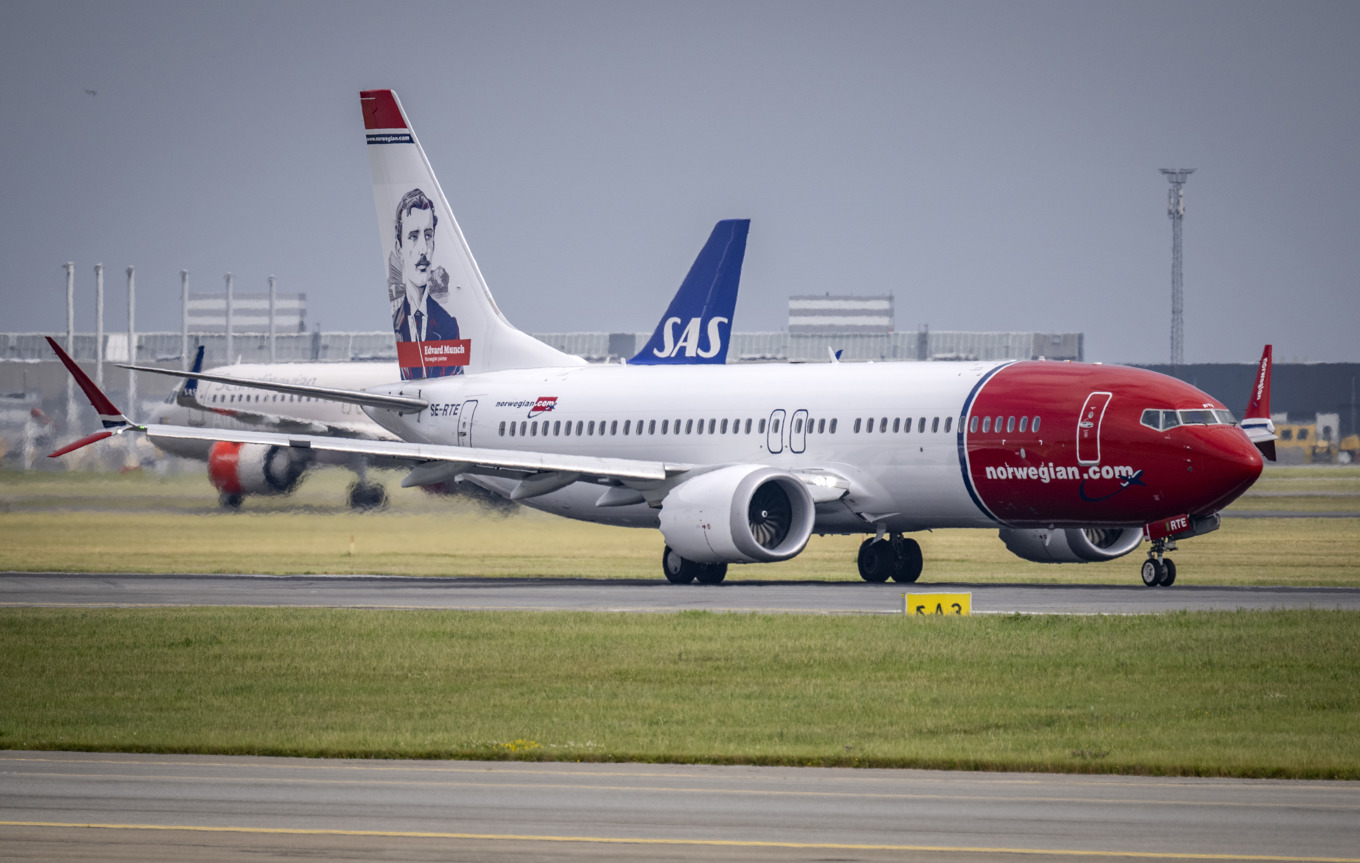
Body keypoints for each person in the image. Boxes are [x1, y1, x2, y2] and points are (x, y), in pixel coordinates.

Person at [388, 188, 463, 377]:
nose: (423, 249)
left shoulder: (448, 326)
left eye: (428, 236)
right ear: (399, 249)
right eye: (413, 236)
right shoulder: (396, 324)